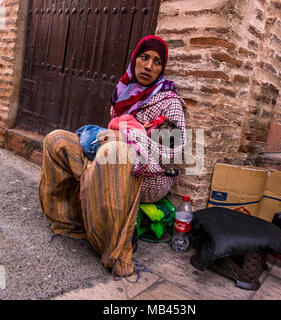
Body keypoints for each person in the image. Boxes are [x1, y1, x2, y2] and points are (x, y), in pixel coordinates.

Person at [38, 35, 186, 278]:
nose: (149, 66)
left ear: (162, 68)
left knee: (114, 151)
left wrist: (132, 143)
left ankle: (116, 251)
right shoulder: (123, 93)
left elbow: (174, 155)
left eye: (157, 62)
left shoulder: (169, 102)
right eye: (144, 57)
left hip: (151, 176)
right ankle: (70, 220)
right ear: (134, 59)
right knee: (57, 140)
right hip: (113, 160)